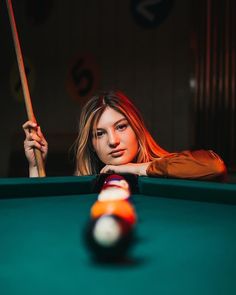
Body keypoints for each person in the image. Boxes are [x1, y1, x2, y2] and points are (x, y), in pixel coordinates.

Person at [23, 90, 226, 180]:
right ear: (91, 144)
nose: (113, 141)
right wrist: (35, 165)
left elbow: (213, 166)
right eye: (100, 133)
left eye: (121, 127)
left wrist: (134, 169)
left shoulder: (167, 168)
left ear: (137, 130)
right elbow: (42, 215)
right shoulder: (85, 181)